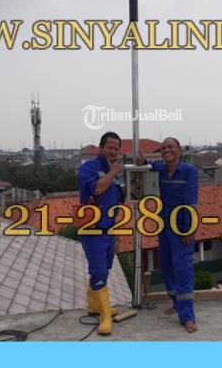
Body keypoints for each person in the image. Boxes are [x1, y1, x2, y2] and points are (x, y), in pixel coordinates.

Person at [139, 137, 199, 333]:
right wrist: (142, 161)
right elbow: (148, 165)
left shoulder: (189, 172)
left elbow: (191, 203)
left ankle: (187, 317)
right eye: (163, 148)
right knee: (166, 266)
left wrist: (188, 230)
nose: (166, 150)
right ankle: (176, 303)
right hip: (164, 226)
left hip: (182, 227)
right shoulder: (161, 169)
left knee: (183, 270)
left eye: (170, 147)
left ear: (179, 150)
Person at [78, 131, 124, 336]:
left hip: (109, 228)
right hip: (92, 228)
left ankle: (93, 305)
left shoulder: (116, 172)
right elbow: (96, 190)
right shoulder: (89, 168)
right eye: (110, 147)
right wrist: (113, 173)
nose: (113, 151)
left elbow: (120, 197)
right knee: (98, 271)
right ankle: (105, 316)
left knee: (104, 268)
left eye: (116, 149)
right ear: (101, 148)